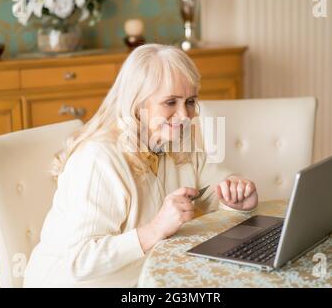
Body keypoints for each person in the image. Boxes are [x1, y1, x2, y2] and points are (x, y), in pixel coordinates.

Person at [23, 44, 258, 287]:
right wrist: (155, 229)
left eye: (189, 101)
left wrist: (235, 200)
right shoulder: (98, 158)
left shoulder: (178, 141)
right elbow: (78, 261)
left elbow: (217, 185)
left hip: (146, 279)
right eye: (170, 102)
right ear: (137, 104)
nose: (185, 115)